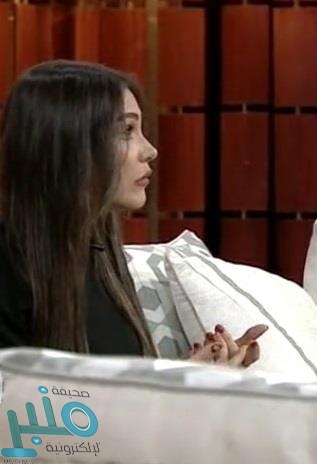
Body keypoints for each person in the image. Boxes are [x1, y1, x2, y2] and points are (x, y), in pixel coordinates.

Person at [0, 60, 266, 366]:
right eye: (127, 130)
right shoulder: (9, 265)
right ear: (69, 142)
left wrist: (191, 373)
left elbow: (101, 387)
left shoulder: (100, 254)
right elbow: (39, 396)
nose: (150, 150)